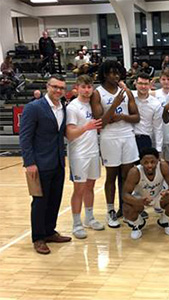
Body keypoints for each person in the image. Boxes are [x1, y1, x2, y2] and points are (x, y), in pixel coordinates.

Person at [19, 75, 71, 254]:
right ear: (47, 87)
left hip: (58, 161)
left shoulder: (62, 107)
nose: (58, 90)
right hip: (39, 163)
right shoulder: (34, 108)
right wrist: (29, 162)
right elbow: (25, 137)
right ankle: (38, 238)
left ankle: (50, 231)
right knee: (40, 202)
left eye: (61, 88)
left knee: (55, 199)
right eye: (55, 87)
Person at [90, 60, 140, 228]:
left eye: (117, 72)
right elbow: (100, 122)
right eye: (112, 72)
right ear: (104, 74)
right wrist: (114, 106)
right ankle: (110, 210)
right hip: (109, 138)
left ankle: (126, 208)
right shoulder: (97, 93)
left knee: (127, 176)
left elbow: (136, 117)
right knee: (111, 176)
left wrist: (121, 117)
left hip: (127, 136)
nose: (115, 76)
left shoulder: (126, 92)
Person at [66, 75, 104, 239]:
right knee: (79, 189)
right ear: (77, 88)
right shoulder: (72, 107)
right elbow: (70, 134)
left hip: (93, 151)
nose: (87, 90)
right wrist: (87, 127)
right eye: (84, 87)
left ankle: (89, 218)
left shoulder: (93, 105)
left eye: (89, 87)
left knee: (90, 186)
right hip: (78, 153)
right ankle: (76, 223)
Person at [122, 148, 169, 239]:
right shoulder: (134, 172)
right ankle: (137, 224)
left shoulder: (163, 166)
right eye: (146, 162)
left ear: (158, 160)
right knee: (126, 207)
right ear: (141, 162)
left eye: (152, 162)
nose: (149, 165)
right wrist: (138, 201)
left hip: (159, 196)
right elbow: (125, 195)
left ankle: (164, 220)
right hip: (141, 198)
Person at [132, 72, 163, 153]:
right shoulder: (129, 97)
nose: (143, 86)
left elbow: (158, 128)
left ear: (150, 85)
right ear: (135, 84)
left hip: (145, 139)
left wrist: (158, 149)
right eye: (140, 83)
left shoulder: (156, 104)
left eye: (146, 84)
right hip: (129, 137)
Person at [152, 69, 169, 172]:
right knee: (157, 163)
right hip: (158, 134)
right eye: (163, 79)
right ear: (160, 80)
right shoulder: (154, 94)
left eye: (168, 79)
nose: (166, 82)